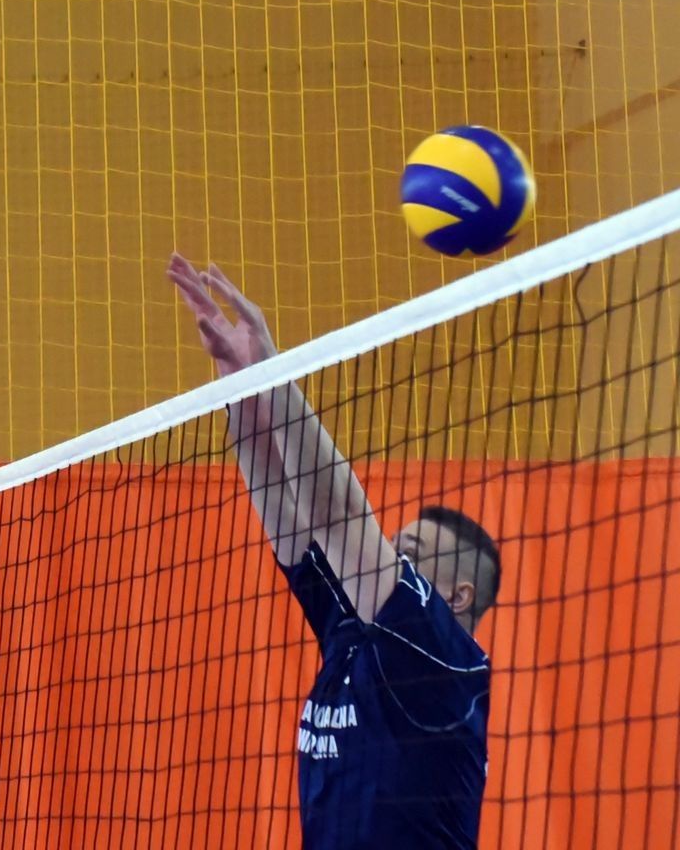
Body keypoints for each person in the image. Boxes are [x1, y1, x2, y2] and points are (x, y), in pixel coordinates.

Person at [169, 253, 500, 848]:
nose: (389, 557)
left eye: (409, 553)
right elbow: (285, 511)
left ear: (457, 595)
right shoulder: (353, 637)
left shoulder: (444, 663)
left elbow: (339, 515)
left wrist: (275, 370)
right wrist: (242, 385)